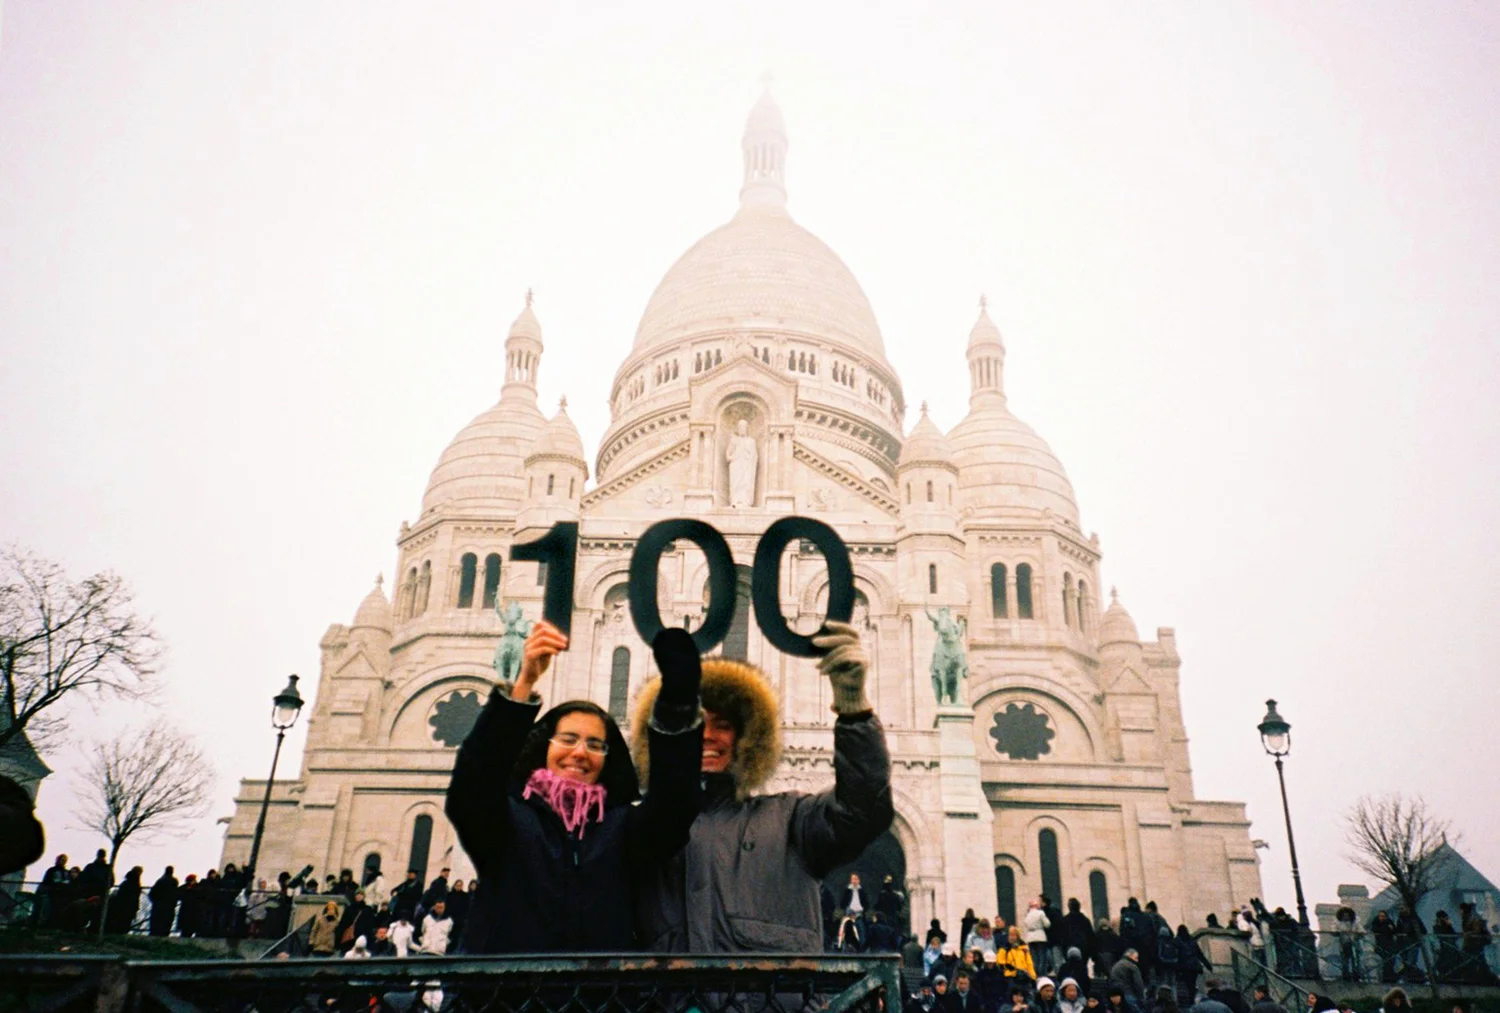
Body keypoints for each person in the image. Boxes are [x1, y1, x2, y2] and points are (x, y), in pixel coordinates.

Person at [632, 620, 891, 952]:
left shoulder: (790, 819)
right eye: (693, 723)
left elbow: (862, 811)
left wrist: (854, 709)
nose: (707, 736)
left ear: (746, 738)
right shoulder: (640, 831)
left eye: (723, 725)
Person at [447, 621, 705, 953]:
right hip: (504, 997)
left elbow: (674, 807)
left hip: (596, 998)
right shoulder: (508, 821)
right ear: (544, 747)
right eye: (568, 739)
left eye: (595, 745)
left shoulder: (623, 828)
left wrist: (677, 706)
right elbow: (474, 784)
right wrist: (523, 685)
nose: (580, 752)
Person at [76, 848, 114, 932]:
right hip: (91, 893)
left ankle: (93, 929)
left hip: (100, 894)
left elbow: (111, 882)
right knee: (88, 912)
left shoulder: (105, 868)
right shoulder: (95, 867)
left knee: (97, 913)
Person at [1174, 926, 1210, 1004]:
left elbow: (1176, 955)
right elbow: (1200, 954)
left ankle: (1187, 1001)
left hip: (1184, 966)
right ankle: (1191, 1000)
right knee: (1192, 984)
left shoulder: (1177, 941)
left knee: (1186, 984)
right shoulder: (1192, 941)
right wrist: (1207, 965)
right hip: (1194, 966)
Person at [335, 889, 377, 953]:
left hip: (362, 937)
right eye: (357, 894)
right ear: (355, 896)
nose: (359, 896)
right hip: (350, 938)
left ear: (363, 896)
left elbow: (370, 925)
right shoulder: (349, 908)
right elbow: (343, 923)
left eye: (361, 894)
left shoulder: (368, 909)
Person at [105, 866, 144, 934]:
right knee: (125, 923)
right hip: (128, 906)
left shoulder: (126, 882)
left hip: (123, 905)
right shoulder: (135, 883)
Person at [1059, 899, 1096, 970]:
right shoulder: (1085, 920)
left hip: (1070, 946)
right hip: (1084, 947)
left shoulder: (1065, 920)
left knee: (1071, 967)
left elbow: (1062, 936)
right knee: (1083, 967)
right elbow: (1090, 936)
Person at [1025, 900, 1053, 976]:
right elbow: (1047, 924)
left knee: (1034, 959)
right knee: (1042, 958)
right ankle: (1042, 975)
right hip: (1040, 936)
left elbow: (1026, 924)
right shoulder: (1040, 913)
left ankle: (1036, 975)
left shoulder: (1028, 915)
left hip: (1030, 938)